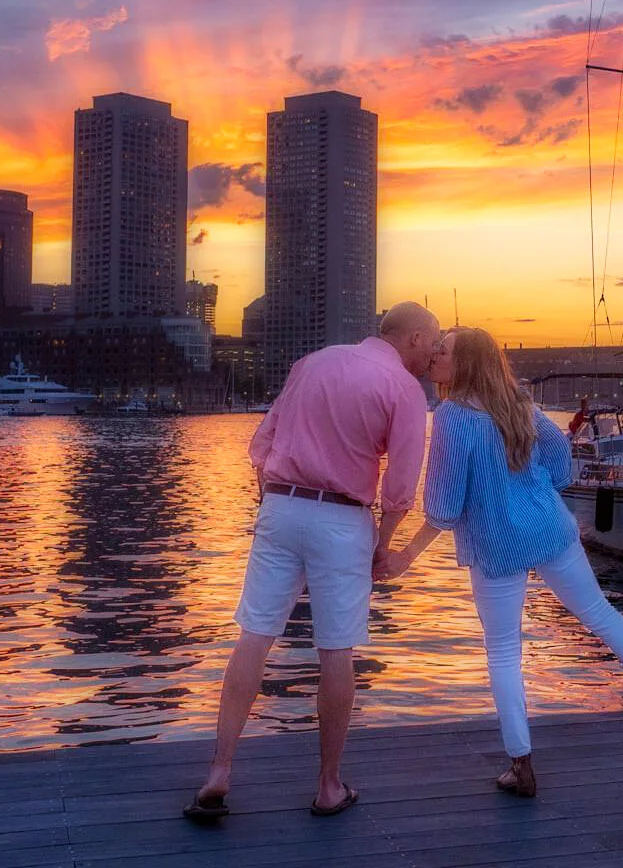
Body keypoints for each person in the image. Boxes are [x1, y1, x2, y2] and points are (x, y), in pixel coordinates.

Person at [381, 327, 623, 798]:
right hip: (551, 529)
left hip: (498, 544)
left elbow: (443, 508)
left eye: (443, 353)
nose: (435, 359)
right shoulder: (517, 404)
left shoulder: (451, 417)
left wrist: (407, 552)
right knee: (602, 614)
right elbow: (560, 454)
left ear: (463, 364)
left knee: (504, 652)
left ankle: (522, 766)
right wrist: (537, 487)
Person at [184, 301, 442, 824]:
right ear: (414, 339)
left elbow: (262, 442)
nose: (435, 353)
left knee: (254, 636)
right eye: (433, 343)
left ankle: (219, 772)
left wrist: (272, 495)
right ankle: (327, 785)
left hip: (280, 506)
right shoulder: (404, 389)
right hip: (343, 518)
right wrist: (383, 544)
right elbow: (399, 487)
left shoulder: (313, 362)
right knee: (336, 650)